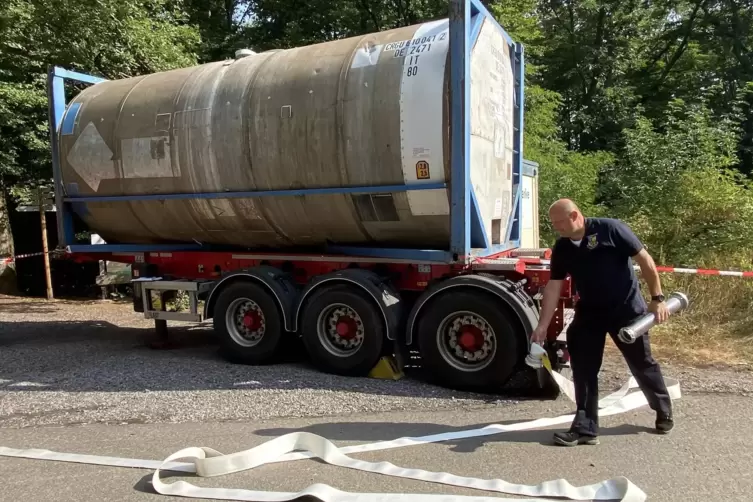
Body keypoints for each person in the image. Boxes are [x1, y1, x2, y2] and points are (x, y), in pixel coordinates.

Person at [531, 198, 674, 447]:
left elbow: (645, 260)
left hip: (627, 310)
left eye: (559, 223)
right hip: (590, 313)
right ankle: (585, 429)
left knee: (641, 363)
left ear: (575, 216)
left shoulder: (611, 230)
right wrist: (542, 325)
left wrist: (657, 299)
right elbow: (554, 286)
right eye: (553, 224)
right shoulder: (563, 248)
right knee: (584, 368)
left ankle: (663, 409)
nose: (556, 228)